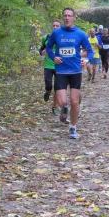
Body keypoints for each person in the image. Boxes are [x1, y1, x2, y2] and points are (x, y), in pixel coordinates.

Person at [46, 8, 92, 139]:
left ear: (74, 17)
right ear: (63, 17)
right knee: (62, 102)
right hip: (61, 71)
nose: (67, 18)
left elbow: (90, 51)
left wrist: (86, 60)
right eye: (65, 15)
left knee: (74, 101)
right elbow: (48, 48)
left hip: (75, 71)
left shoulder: (80, 34)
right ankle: (64, 109)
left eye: (69, 15)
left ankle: (73, 127)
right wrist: (53, 57)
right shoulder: (56, 33)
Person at [39, 20, 61, 114]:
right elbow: (41, 49)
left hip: (59, 66)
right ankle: (48, 92)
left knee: (57, 88)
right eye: (54, 25)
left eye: (57, 26)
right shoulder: (46, 37)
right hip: (48, 65)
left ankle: (54, 107)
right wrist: (42, 52)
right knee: (48, 85)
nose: (55, 27)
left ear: (60, 27)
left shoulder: (63, 38)